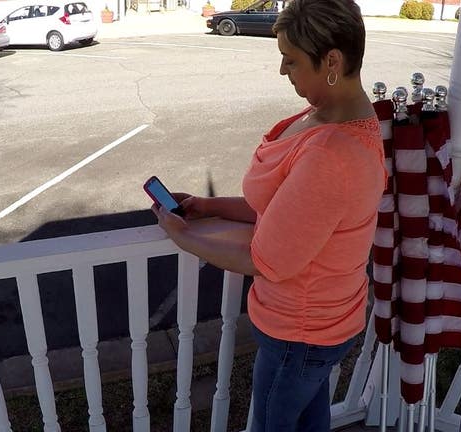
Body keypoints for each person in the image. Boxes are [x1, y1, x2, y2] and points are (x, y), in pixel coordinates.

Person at [150, 0, 385, 430]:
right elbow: (284, 210)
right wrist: (208, 207)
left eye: (291, 61)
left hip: (303, 333)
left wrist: (183, 237)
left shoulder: (334, 153)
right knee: (308, 419)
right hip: (322, 323)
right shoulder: (324, 113)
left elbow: (266, 260)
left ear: (332, 60)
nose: (282, 71)